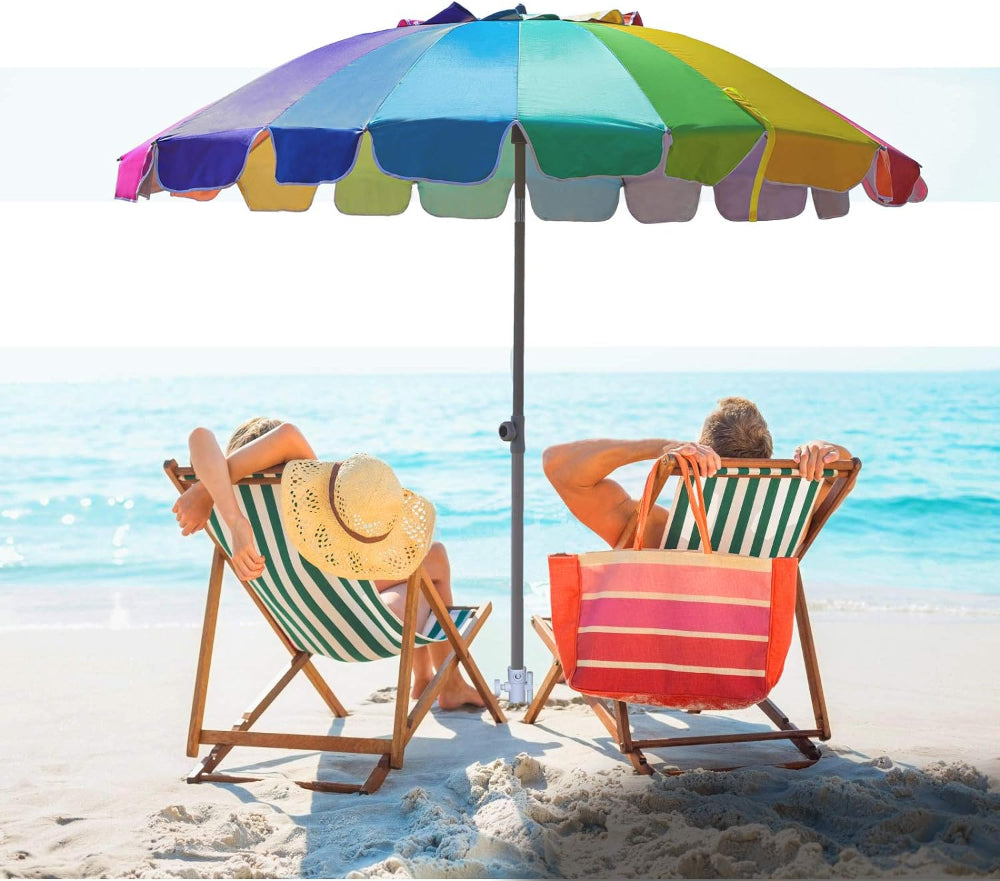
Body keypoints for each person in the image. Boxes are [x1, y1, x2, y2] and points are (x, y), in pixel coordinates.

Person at [171, 417, 485, 710]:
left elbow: (199, 437)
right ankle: (451, 685)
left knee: (413, 564)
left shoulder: (222, 500)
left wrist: (208, 494)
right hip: (361, 628)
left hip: (304, 627)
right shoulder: (305, 486)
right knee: (433, 559)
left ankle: (424, 680)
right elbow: (287, 435)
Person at [542, 396, 852, 550]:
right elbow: (845, 471)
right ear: (766, 457)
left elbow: (557, 464)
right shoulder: (789, 520)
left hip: (660, 661)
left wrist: (663, 447)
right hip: (748, 661)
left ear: (701, 451)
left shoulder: (654, 529)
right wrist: (825, 450)